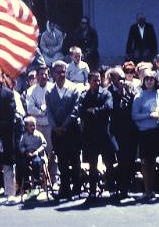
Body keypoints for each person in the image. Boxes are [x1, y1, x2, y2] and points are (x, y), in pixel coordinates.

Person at [73, 71, 115, 200]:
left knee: (109, 164)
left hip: (104, 134)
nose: (97, 83)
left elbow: (108, 107)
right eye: (94, 80)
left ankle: (112, 189)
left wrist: (94, 110)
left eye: (98, 80)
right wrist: (95, 112)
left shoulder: (106, 93)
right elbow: (81, 111)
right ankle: (92, 191)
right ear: (89, 81)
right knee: (92, 165)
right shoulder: (84, 96)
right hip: (90, 135)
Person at [46, 60, 81, 200]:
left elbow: (76, 109)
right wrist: (55, 127)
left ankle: (77, 189)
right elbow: (48, 111)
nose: (61, 74)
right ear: (53, 73)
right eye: (58, 72)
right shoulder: (49, 91)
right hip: (57, 134)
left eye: (63, 71)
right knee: (62, 162)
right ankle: (64, 189)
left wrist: (64, 126)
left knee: (75, 161)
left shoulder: (74, 89)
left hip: (72, 131)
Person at [132, 73, 159, 202]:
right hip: (145, 133)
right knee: (146, 163)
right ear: (143, 81)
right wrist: (148, 115)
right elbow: (134, 116)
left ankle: (155, 190)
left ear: (155, 80)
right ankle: (147, 192)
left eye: (152, 79)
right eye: (147, 79)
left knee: (156, 162)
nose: (149, 82)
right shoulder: (139, 96)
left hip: (158, 132)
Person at [107, 68, 137, 200]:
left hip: (130, 130)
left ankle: (128, 185)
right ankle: (120, 187)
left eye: (123, 79)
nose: (122, 82)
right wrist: (119, 93)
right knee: (121, 160)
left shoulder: (130, 90)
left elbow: (133, 105)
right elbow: (112, 108)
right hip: (116, 131)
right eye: (119, 79)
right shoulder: (108, 92)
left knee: (130, 159)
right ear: (113, 79)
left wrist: (129, 93)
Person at [26, 66, 56, 180]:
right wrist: (41, 111)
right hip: (37, 126)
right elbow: (30, 109)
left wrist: (46, 111)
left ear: (48, 76)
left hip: (50, 125)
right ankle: (38, 180)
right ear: (37, 76)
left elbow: (55, 106)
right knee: (37, 153)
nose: (43, 76)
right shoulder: (31, 91)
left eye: (45, 74)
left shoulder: (53, 88)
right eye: (41, 74)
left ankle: (53, 179)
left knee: (52, 152)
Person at [18, 116, 47, 198]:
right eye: (30, 126)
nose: (33, 127)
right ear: (26, 127)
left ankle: (37, 181)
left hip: (36, 154)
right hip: (27, 154)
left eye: (34, 125)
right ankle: (26, 182)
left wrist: (37, 151)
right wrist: (25, 152)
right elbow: (21, 146)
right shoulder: (24, 136)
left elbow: (44, 144)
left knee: (36, 162)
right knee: (23, 164)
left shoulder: (38, 135)